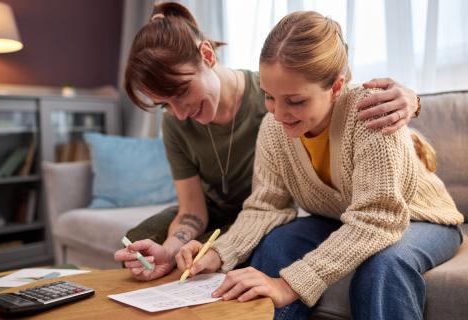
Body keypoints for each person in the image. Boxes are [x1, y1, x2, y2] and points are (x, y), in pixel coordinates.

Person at [174, 10, 464, 320]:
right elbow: (265, 207)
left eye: (295, 101)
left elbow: (378, 218)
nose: (279, 113)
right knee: (278, 243)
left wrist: (290, 284)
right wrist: (218, 253)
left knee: (384, 264)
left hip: (419, 219)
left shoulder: (371, 113)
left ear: (337, 87)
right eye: (269, 97)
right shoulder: (273, 128)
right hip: (341, 218)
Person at [114, 2, 421, 283]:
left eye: (181, 93)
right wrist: (181, 248)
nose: (179, 114)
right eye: (164, 104)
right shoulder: (269, 118)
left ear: (207, 56)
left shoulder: (282, 105)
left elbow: (333, 96)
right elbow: (203, 208)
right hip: (245, 212)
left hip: (286, 214)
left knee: (372, 263)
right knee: (147, 242)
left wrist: (412, 99)